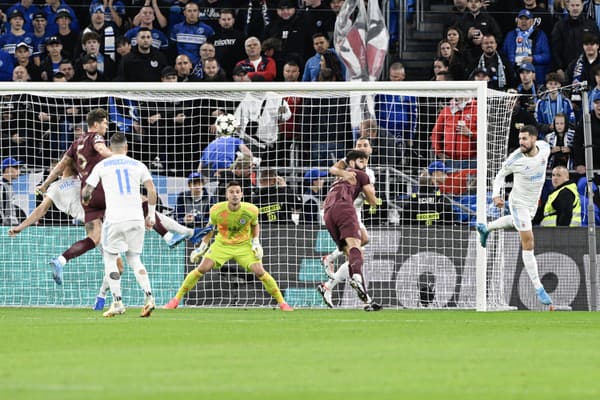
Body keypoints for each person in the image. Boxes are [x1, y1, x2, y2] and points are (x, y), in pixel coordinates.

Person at [164, 180, 294, 311]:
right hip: (222, 245)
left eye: (237, 192)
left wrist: (256, 242)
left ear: (242, 194)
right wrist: (201, 248)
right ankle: (175, 300)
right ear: (227, 195)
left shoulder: (251, 210)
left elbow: (255, 224)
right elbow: (210, 228)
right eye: (231, 192)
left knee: (260, 272)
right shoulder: (216, 209)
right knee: (201, 269)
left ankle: (282, 303)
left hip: (243, 246)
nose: (235, 195)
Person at [476, 124, 554, 307]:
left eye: (525, 139)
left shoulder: (544, 148)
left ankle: (486, 228)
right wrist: (496, 194)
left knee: (515, 224)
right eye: (520, 139)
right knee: (528, 240)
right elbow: (500, 175)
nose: (521, 142)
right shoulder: (515, 158)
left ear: (534, 139)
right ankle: (538, 287)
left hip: (532, 204)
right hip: (518, 203)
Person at [82, 133, 157, 318]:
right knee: (134, 259)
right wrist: (151, 215)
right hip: (137, 219)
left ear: (110, 147)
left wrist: (87, 199)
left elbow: (87, 191)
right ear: (126, 147)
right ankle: (149, 297)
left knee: (110, 258)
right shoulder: (138, 165)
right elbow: (151, 190)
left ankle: (117, 302)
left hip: (115, 219)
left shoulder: (102, 165)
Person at [36, 108, 112, 285]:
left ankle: (61, 260)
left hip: (86, 197)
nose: (107, 126)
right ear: (96, 123)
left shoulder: (77, 141)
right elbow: (101, 148)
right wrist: (120, 157)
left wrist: (45, 184)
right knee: (139, 200)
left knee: (95, 239)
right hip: (101, 191)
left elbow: (61, 165)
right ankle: (168, 233)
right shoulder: (96, 137)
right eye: (105, 122)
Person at [318, 150, 382, 311]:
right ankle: (355, 277)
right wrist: (375, 198)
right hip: (345, 209)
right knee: (356, 249)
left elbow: (333, 169)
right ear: (352, 162)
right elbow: (373, 202)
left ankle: (365, 300)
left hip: (327, 212)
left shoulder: (339, 175)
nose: (364, 163)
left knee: (354, 251)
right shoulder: (361, 175)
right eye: (361, 160)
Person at [0, 157, 25, 226]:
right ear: (7, 169)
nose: (19, 171)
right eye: (16, 168)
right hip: (5, 227)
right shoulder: (1, 185)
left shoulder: (8, 185)